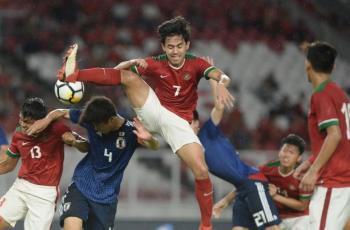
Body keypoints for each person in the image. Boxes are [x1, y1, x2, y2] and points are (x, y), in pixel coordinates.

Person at [50, 16, 235, 230]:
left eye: (179, 46)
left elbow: (221, 75)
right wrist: (130, 63)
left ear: (187, 45)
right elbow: (119, 73)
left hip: (178, 123)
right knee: (129, 78)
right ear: (163, 47)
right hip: (153, 110)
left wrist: (221, 82)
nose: (175, 51)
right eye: (170, 47)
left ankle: (206, 225)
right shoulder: (155, 62)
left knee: (202, 170)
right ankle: (74, 75)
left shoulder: (197, 63)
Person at [28, 96, 159, 230]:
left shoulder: (131, 132)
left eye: (98, 125)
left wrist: (150, 139)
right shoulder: (91, 118)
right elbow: (61, 112)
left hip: (106, 199)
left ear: (111, 120)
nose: (95, 128)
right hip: (81, 186)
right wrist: (46, 120)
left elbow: (155, 146)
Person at [191, 80, 281, 230]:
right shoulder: (191, 150)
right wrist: (225, 202)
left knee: (271, 228)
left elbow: (219, 106)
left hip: (253, 183)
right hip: (242, 188)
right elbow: (238, 179)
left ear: (196, 123)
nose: (186, 126)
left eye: (189, 122)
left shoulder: (207, 133)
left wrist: (213, 79)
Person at [0, 97, 87, 230]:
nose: (22, 125)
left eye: (27, 122)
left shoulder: (57, 129)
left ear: (41, 121)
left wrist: (74, 142)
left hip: (44, 194)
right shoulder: (18, 134)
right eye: (21, 119)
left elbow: (86, 147)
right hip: (21, 187)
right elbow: (8, 165)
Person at [294, 41, 350, 229]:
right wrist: (310, 162)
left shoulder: (322, 94)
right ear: (333, 66)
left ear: (307, 65)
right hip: (343, 180)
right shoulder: (340, 94)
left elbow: (334, 136)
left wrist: (313, 171)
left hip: (334, 182)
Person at [259, 134, 312, 230]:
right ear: (279, 152)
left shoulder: (304, 176)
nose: (286, 155)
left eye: (291, 152)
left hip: (300, 218)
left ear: (299, 158)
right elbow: (248, 180)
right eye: (284, 151)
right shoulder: (267, 169)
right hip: (276, 218)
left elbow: (302, 206)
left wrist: (275, 196)